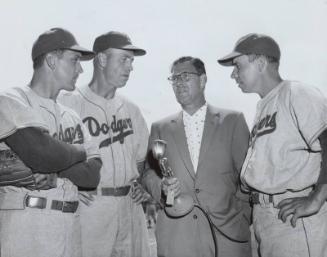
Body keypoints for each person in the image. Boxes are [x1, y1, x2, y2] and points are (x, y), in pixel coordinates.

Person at [218, 33, 327, 257]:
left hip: (292, 218)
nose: (233, 74)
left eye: (238, 66)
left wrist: (316, 199)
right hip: (267, 217)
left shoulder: (296, 93)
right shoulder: (265, 105)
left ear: (260, 63)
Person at [0, 27, 102, 257]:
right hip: (25, 225)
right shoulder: (12, 99)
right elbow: (43, 154)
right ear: (51, 60)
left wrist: (56, 172)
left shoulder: (72, 115)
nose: (81, 68)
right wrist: (78, 151)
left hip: (69, 227)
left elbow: (92, 174)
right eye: (75, 60)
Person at [142, 56, 252, 257]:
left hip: (227, 236)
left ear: (202, 80)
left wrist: (243, 217)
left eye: (185, 76)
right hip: (177, 237)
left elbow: (248, 175)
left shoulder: (233, 121)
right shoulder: (160, 128)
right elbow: (149, 173)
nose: (179, 83)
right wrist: (162, 189)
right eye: (174, 79)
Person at [59, 31, 151, 257]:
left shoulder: (131, 109)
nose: (130, 67)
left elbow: (143, 162)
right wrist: (67, 186)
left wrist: (143, 186)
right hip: (92, 207)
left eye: (131, 61)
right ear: (101, 60)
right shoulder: (69, 103)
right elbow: (52, 158)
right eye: (123, 59)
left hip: (130, 207)